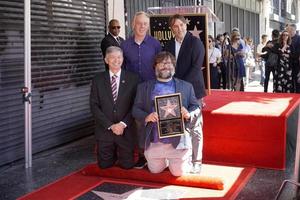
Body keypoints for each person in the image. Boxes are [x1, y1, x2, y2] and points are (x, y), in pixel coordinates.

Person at [132, 51, 202, 176]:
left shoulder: (186, 86)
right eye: (161, 63)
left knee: (178, 173)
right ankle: (163, 161)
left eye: (169, 63)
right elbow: (135, 110)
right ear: (155, 67)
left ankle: (185, 158)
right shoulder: (143, 87)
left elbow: (196, 106)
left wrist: (188, 114)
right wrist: (147, 116)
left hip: (178, 141)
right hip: (155, 140)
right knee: (155, 170)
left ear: (174, 67)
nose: (165, 66)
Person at [164, 14, 205, 173]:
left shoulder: (196, 43)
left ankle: (197, 161)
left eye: (181, 25)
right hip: (172, 91)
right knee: (176, 126)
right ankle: (179, 159)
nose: (179, 28)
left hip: (193, 91)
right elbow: (166, 67)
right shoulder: (168, 44)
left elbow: (196, 68)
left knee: (195, 127)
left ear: (185, 26)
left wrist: (179, 86)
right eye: (175, 26)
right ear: (172, 29)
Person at [121, 11, 162, 169]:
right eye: (139, 23)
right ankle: (142, 155)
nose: (142, 26)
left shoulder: (155, 44)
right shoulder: (124, 45)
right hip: (131, 90)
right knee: (137, 122)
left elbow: (160, 66)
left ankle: (156, 153)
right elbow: (122, 68)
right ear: (133, 25)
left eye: (145, 23)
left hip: (151, 89)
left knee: (152, 120)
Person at [90, 46, 139, 169]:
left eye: (119, 57)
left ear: (123, 59)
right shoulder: (97, 80)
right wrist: (110, 125)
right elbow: (94, 106)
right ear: (106, 60)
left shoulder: (133, 79)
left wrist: (122, 124)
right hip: (105, 131)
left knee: (127, 166)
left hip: (125, 130)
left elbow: (136, 105)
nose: (116, 60)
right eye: (112, 57)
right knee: (104, 166)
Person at [286, 24, 300, 93]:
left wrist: (289, 56)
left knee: (297, 83)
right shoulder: (287, 39)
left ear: (294, 30)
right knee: (290, 83)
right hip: (288, 64)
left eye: (290, 30)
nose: (289, 31)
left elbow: (298, 53)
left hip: (297, 64)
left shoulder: (298, 38)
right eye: (288, 30)